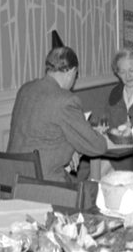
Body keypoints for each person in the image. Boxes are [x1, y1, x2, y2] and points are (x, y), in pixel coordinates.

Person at [8, 46, 107, 181]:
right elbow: (97, 146)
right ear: (71, 71)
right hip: (43, 184)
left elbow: (43, 133)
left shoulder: (25, 90)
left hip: (12, 179)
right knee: (95, 190)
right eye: (76, 74)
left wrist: (72, 148)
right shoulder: (65, 100)